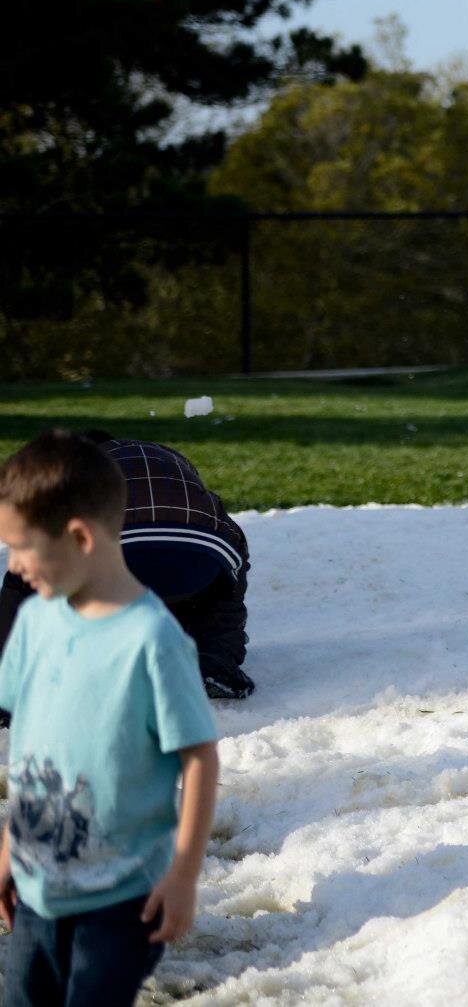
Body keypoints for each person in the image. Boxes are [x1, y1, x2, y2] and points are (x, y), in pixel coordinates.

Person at [0, 431, 220, 1007]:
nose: (14, 566)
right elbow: (30, 746)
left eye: (21, 548)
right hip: (35, 890)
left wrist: (183, 874)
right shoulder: (33, 626)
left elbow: (198, 758)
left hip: (121, 901)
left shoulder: (152, 641)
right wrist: (8, 848)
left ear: (79, 537)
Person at [0, 435, 253, 704]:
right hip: (198, 552)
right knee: (220, 589)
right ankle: (215, 664)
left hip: (119, 551)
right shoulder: (168, 458)